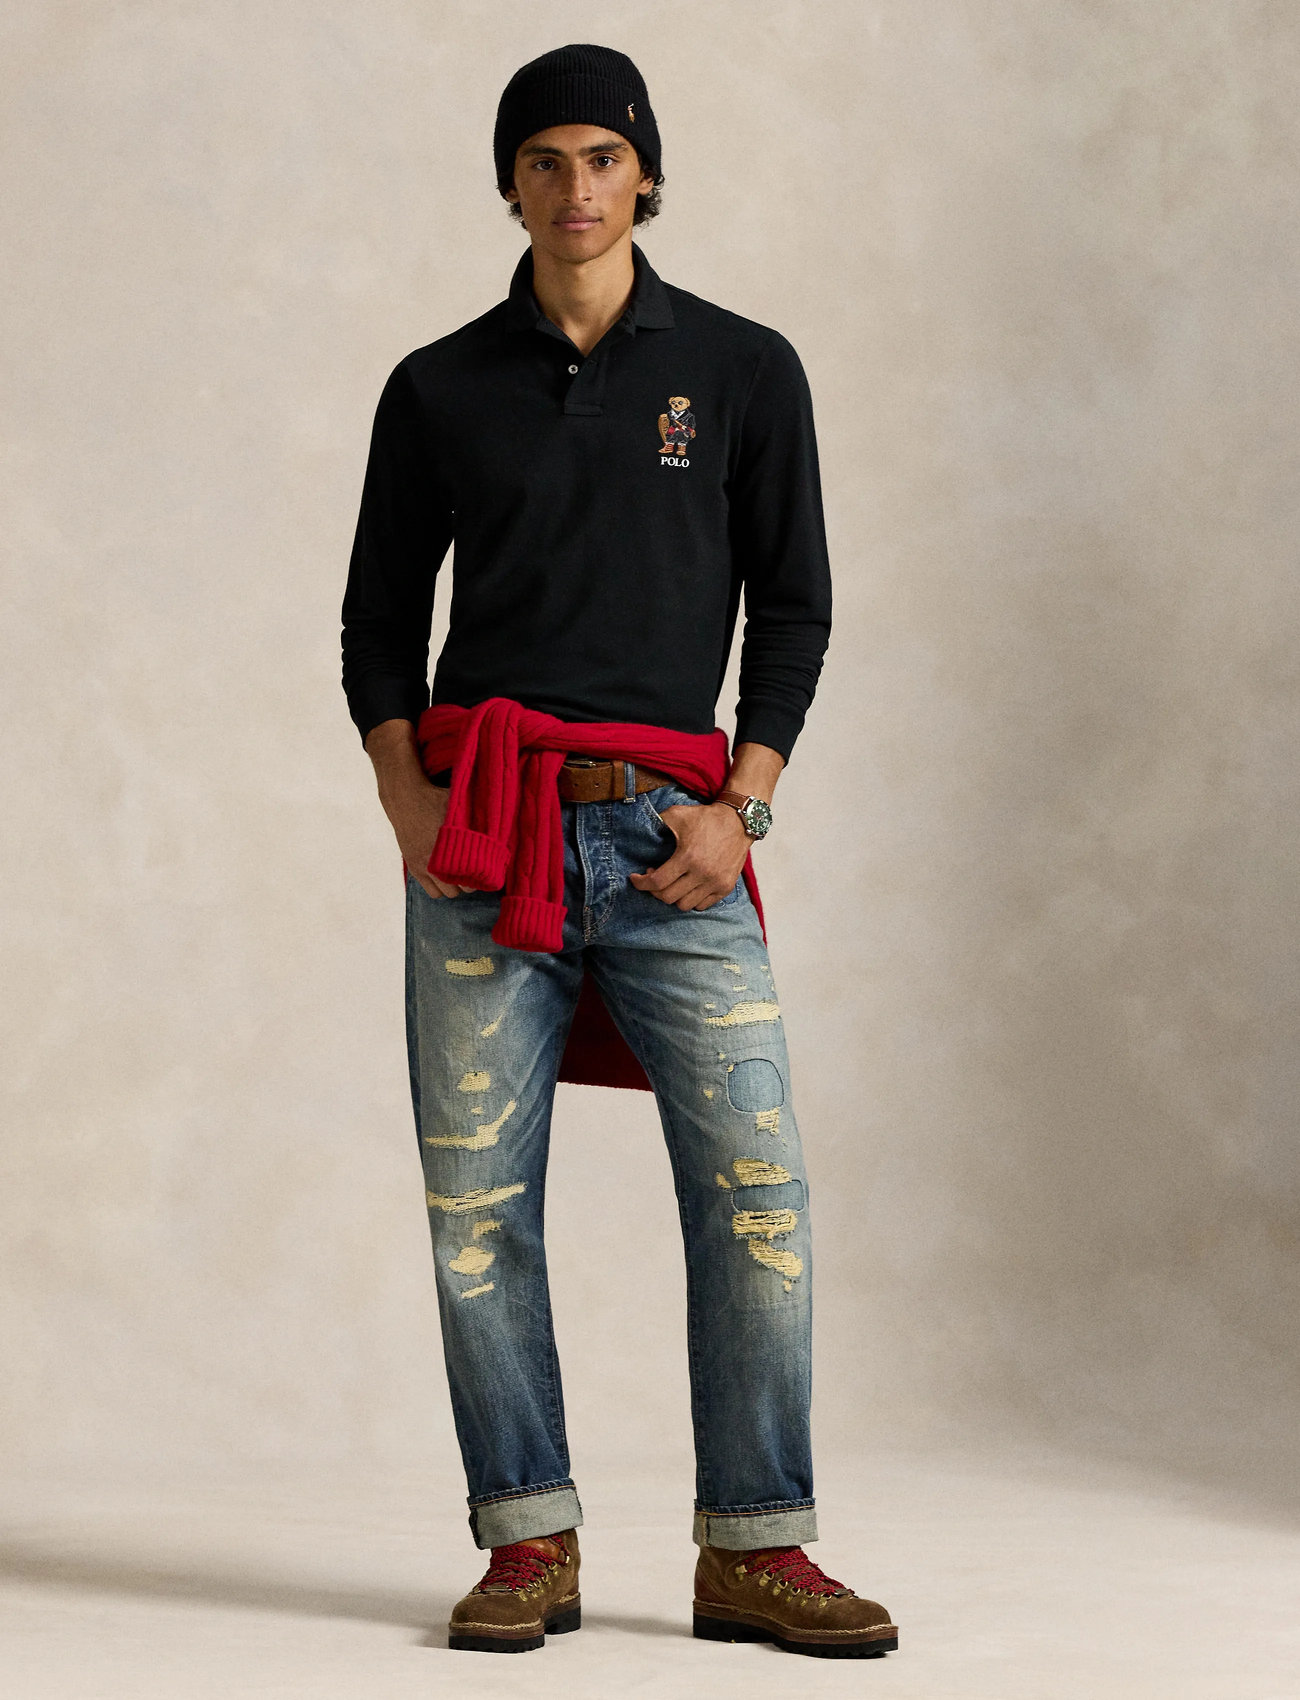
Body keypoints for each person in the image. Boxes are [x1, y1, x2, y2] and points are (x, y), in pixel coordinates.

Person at [340, 41, 898, 1660]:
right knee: (477, 1206)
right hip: (485, 837)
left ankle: (756, 1551)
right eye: (544, 161)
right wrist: (407, 802)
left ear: (644, 174)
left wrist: (746, 808)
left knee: (757, 1190)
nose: (575, 188)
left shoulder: (742, 369)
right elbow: (378, 622)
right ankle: (528, 1542)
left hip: (674, 841)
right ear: (508, 183)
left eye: (602, 157)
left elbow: (795, 606)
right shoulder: (438, 386)